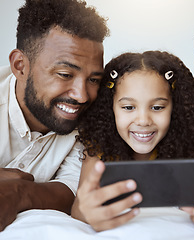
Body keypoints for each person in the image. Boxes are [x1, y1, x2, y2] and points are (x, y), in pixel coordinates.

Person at [71, 51, 194, 239]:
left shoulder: (190, 147)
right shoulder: (99, 148)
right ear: (111, 108)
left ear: (175, 108)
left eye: (157, 107)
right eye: (128, 107)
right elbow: (78, 208)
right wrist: (87, 212)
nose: (143, 120)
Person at [0, 0, 109, 231]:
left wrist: (21, 192)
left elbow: (72, 189)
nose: (82, 96)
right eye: (64, 74)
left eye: (93, 80)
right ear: (20, 66)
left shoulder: (96, 115)